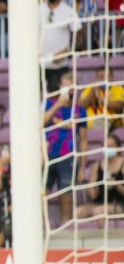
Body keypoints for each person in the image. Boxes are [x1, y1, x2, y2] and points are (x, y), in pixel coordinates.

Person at [44, 72, 88, 225]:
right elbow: (41, 122)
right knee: (43, 192)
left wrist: (82, 166)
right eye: (65, 85)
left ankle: (65, 227)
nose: (67, 88)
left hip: (68, 155)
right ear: (59, 87)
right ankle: (40, 226)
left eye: (71, 85)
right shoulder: (49, 104)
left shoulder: (80, 111)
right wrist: (58, 104)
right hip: (46, 155)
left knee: (66, 194)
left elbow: (83, 140)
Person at [40, 0, 81, 92]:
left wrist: (67, 51)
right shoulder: (37, 10)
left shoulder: (69, 12)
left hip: (59, 65)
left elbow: (80, 38)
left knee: (58, 100)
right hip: (38, 64)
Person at [77, 135, 124, 228]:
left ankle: (102, 240)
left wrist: (116, 185)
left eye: (111, 146)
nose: (108, 148)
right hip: (99, 202)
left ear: (118, 148)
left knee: (98, 212)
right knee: (78, 212)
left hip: (119, 203)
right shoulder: (96, 166)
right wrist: (91, 192)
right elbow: (90, 188)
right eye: (105, 146)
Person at [0, 145, 12, 248]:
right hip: (4, 211)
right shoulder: (1, 170)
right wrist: (1, 164)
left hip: (23, 213)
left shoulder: (27, 171)